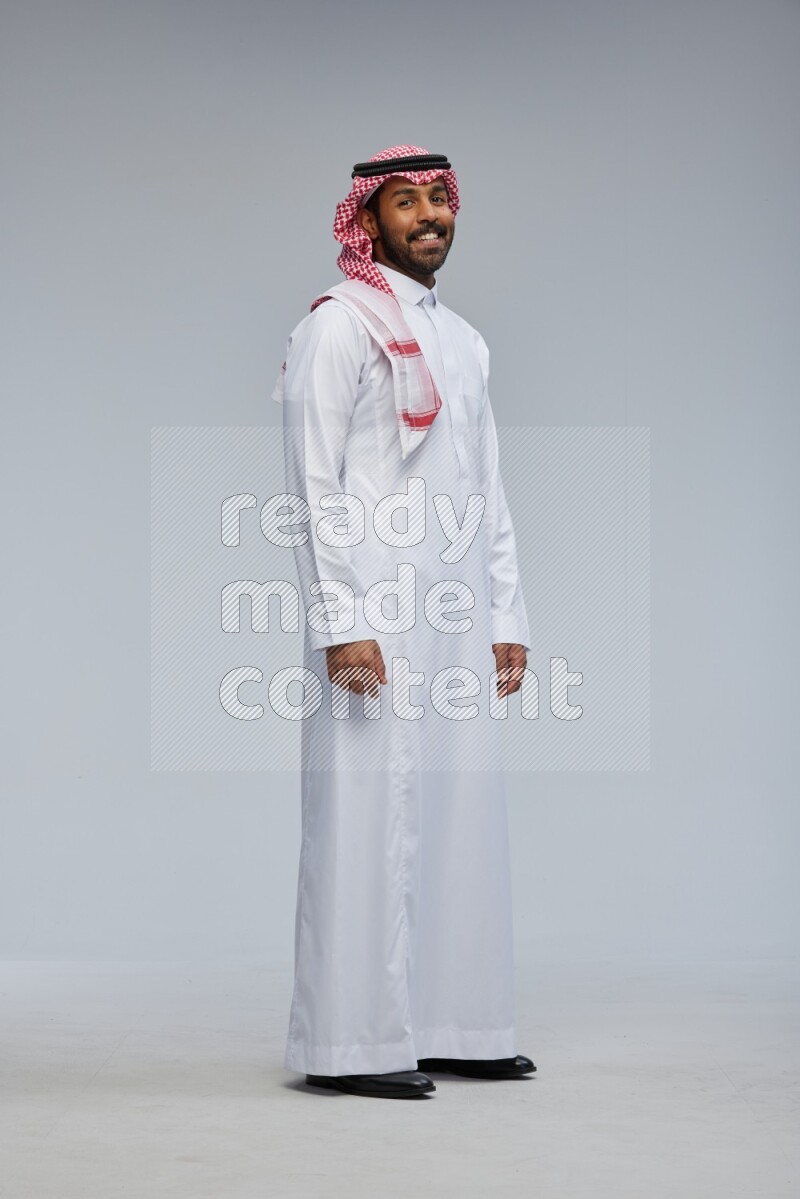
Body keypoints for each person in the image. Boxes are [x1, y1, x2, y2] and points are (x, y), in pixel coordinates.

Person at [272, 145, 536, 1099]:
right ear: (367, 221)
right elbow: (310, 483)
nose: (427, 216)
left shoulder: (462, 339)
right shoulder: (340, 327)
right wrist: (340, 621)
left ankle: (461, 1024)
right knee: (366, 818)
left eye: (438, 199)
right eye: (404, 202)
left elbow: (488, 486)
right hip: (372, 611)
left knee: (462, 810)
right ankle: (352, 1044)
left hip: (457, 613)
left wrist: (505, 611)